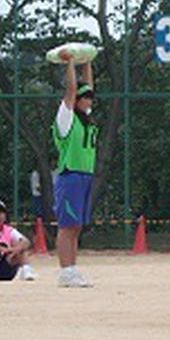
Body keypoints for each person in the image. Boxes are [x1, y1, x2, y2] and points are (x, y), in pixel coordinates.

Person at [51, 54, 97, 288]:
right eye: (84, 97)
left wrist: (87, 61)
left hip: (85, 175)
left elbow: (87, 85)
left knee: (76, 226)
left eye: (90, 97)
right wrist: (70, 63)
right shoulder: (66, 118)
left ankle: (72, 269)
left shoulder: (85, 118)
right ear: (76, 99)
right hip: (70, 176)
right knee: (67, 226)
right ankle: (65, 270)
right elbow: (71, 90)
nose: (89, 100)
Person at [0, 199, 37, 281]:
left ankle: (26, 269)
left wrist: (14, 250)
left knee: (20, 246)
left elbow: (26, 242)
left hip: (4, 268)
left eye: (1, 212)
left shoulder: (9, 230)